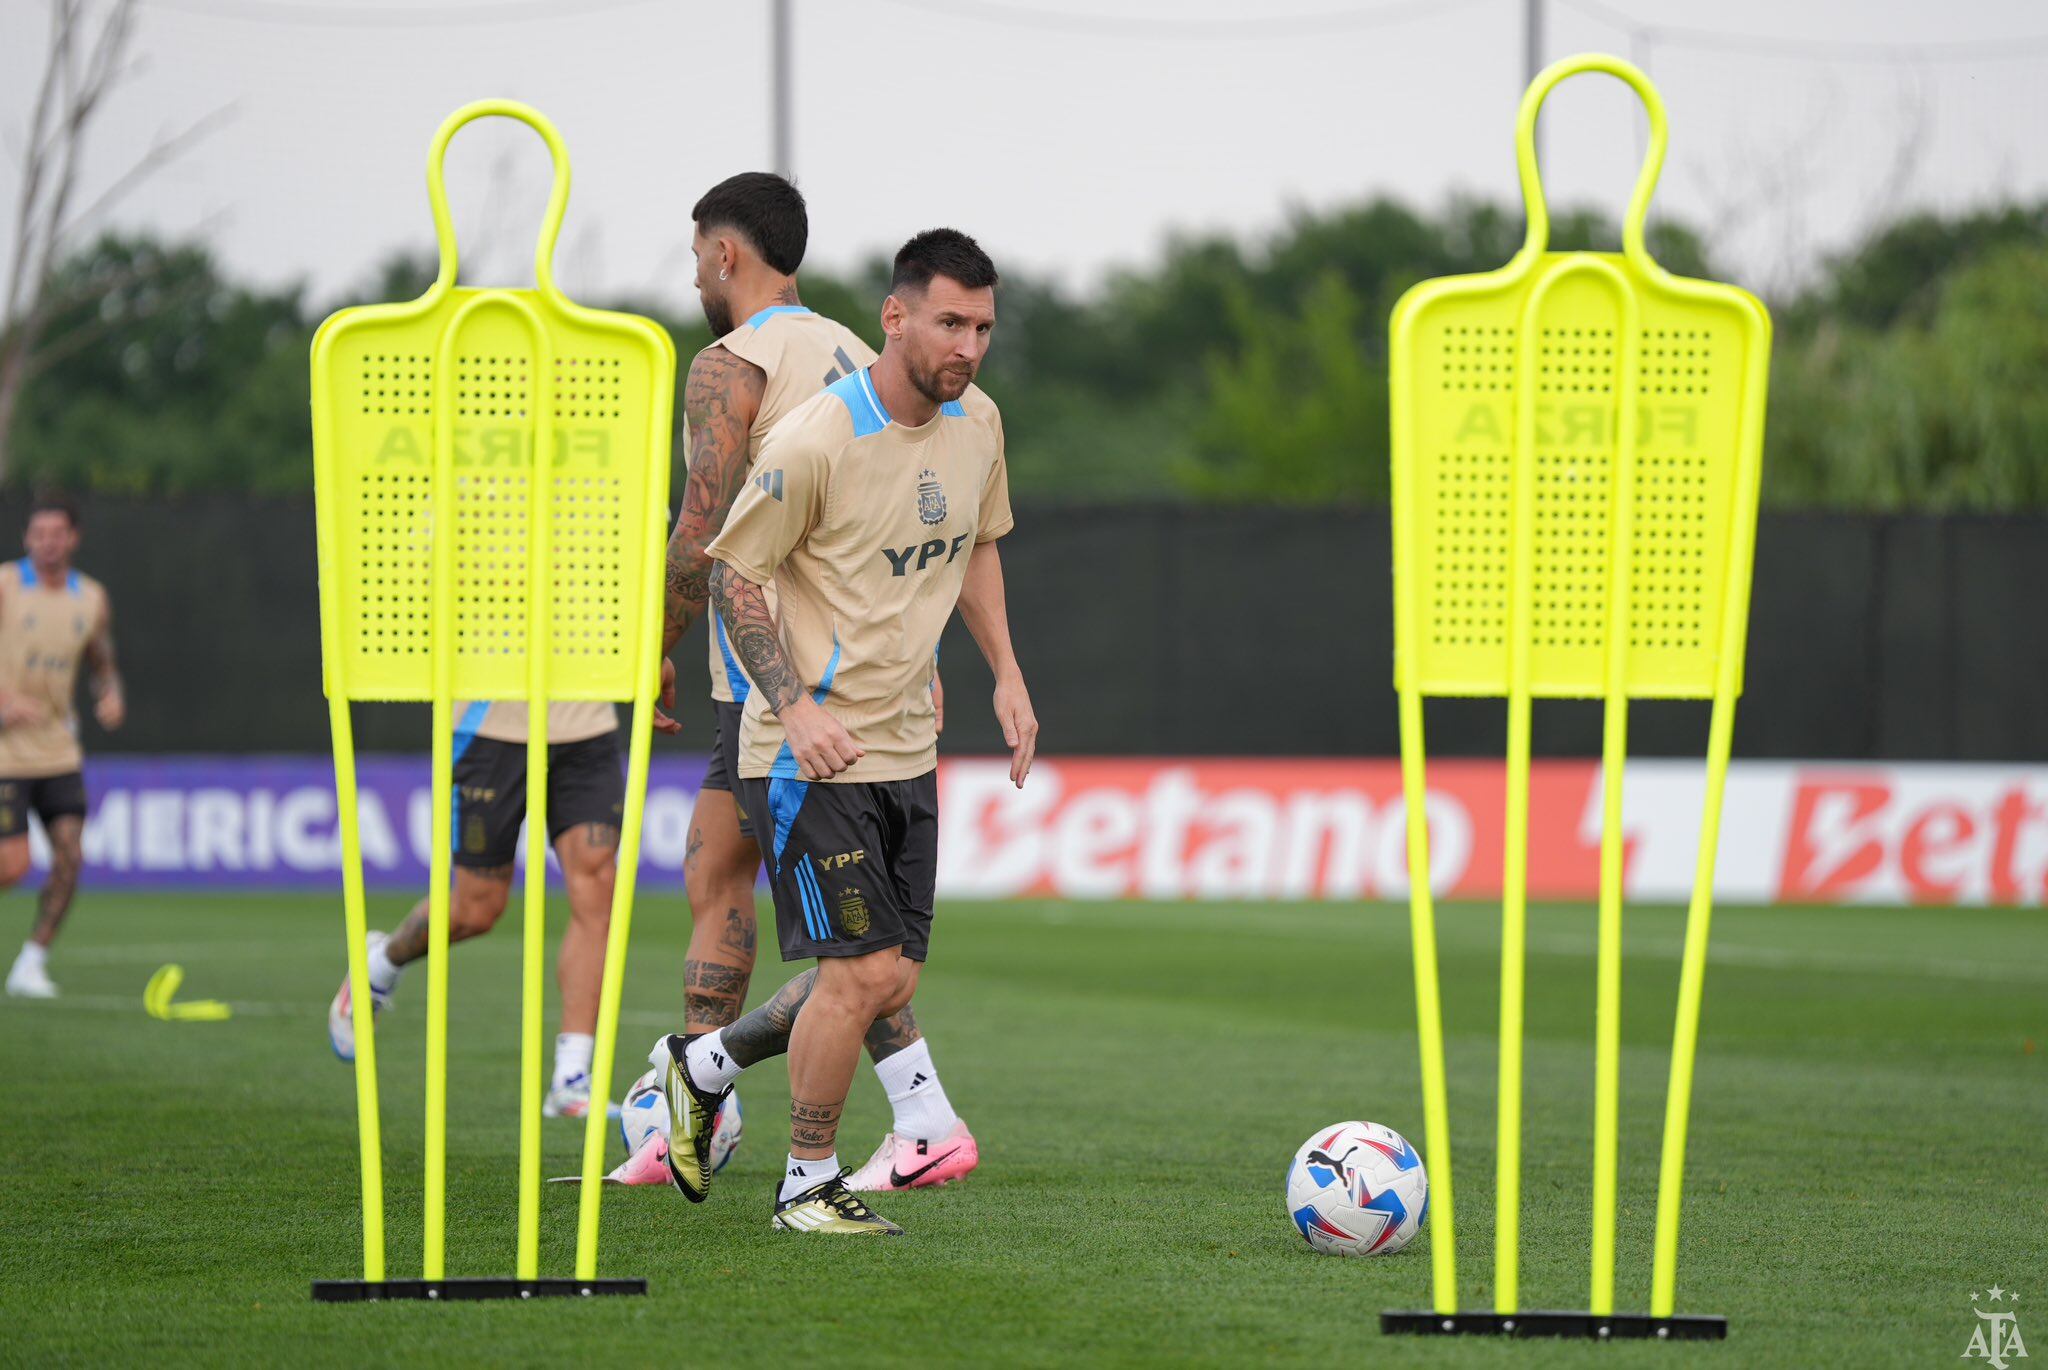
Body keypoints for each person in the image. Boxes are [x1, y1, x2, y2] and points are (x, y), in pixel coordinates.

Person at [651, 227, 1038, 1234]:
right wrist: (796, 704)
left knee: (887, 975)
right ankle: (804, 1183)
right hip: (805, 753)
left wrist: (1005, 675)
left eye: (984, 327)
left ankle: (702, 1064)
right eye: (950, 322)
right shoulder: (816, 438)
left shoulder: (978, 423)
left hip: (908, 742)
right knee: (859, 973)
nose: (968, 346)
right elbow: (736, 576)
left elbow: (980, 545)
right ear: (895, 316)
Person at [326, 699, 626, 1118]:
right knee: (476, 909)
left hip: (585, 720)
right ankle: (379, 963)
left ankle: (571, 1078)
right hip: (492, 722)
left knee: (598, 887)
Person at [1, 498, 123, 999]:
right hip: (6, 752)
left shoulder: (90, 598)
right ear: (27, 539)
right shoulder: (7, 584)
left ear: (73, 538)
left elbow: (100, 655)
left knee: (70, 855)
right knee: (12, 867)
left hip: (58, 750)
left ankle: (31, 962)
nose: (46, 542)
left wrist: (110, 689)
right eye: (38, 533)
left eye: (56, 533)